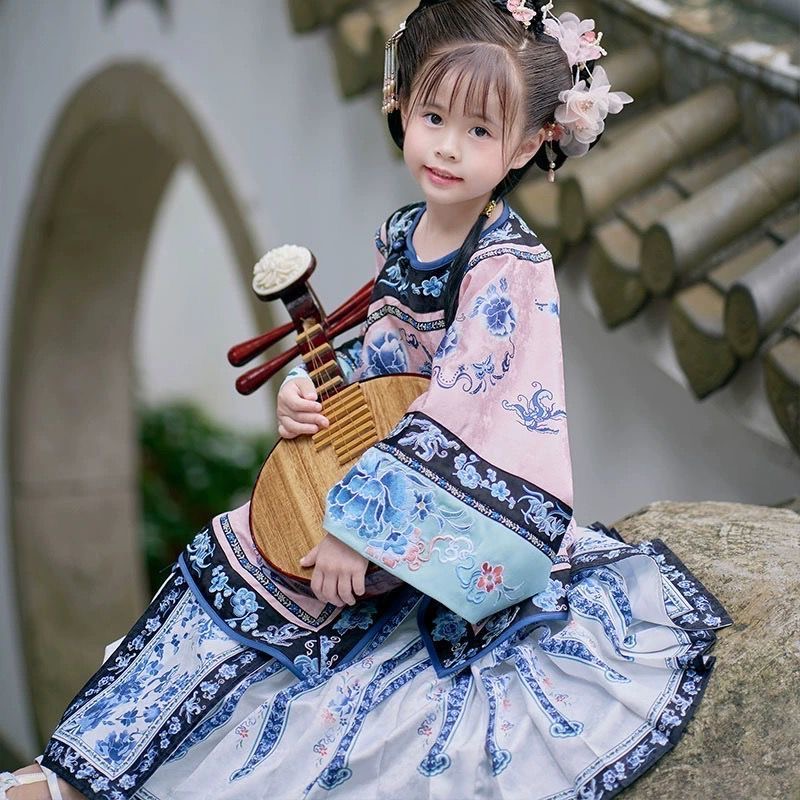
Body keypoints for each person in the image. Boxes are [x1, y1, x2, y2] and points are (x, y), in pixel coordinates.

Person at [2, 1, 731, 798]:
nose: (448, 147)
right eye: (433, 115)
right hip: (388, 476)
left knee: (287, 607)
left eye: (481, 132)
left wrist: (364, 529)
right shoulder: (402, 232)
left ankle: (92, 781)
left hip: (457, 510)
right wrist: (307, 390)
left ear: (528, 143)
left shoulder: (509, 263)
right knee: (225, 554)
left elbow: (461, 406)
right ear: (401, 103)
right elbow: (383, 365)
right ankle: (75, 770)